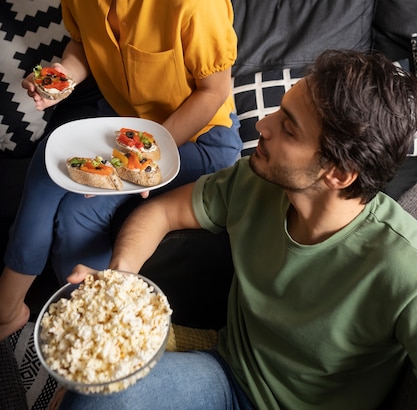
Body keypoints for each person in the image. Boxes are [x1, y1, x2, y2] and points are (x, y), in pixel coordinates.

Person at [60, 50, 417, 410]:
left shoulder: (403, 264)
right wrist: (119, 282)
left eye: (288, 128)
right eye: (280, 109)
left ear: (339, 173)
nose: (262, 125)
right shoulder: (253, 179)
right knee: (93, 395)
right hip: (229, 375)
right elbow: (162, 211)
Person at [0, 0, 242, 342]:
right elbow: (84, 43)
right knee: (46, 170)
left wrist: (146, 158)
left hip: (195, 138)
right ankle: (10, 309)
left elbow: (214, 92)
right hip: (122, 119)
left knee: (80, 215)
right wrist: (65, 75)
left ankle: (89, 325)